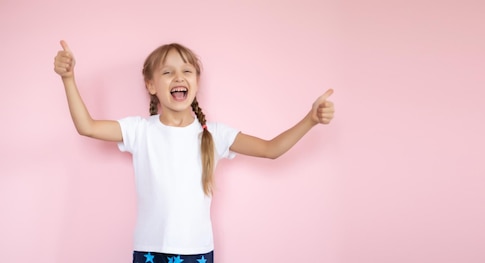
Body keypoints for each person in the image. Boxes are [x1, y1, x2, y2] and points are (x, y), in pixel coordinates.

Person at [54, 40, 335, 263]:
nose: (179, 77)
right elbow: (87, 126)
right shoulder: (140, 130)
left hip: (197, 252)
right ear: (151, 86)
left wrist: (310, 119)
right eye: (167, 72)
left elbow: (271, 149)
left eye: (187, 70)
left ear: (196, 82)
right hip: (150, 250)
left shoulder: (215, 134)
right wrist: (68, 78)